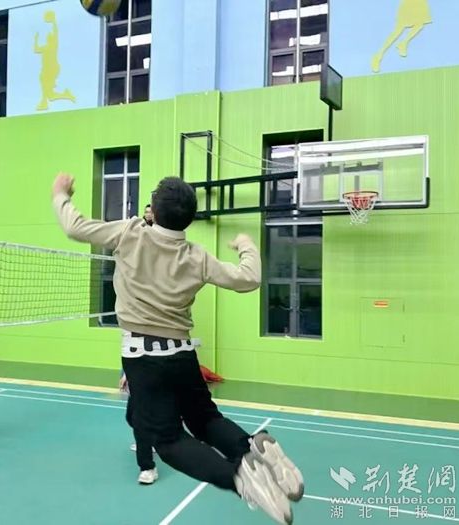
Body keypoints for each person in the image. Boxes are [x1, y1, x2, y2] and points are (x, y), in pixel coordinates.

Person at [52, 174, 303, 524]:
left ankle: (239, 476)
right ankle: (252, 448)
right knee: (205, 419)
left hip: (143, 358)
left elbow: (74, 227)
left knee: (167, 441)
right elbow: (249, 279)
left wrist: (60, 194)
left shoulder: (130, 233)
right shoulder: (197, 257)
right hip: (182, 354)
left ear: (153, 211)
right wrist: (246, 244)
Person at [119, 370, 158, 484]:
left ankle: (148, 468)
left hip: (149, 382)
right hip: (135, 385)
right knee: (130, 418)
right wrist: (126, 375)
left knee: (140, 424)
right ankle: (152, 441)